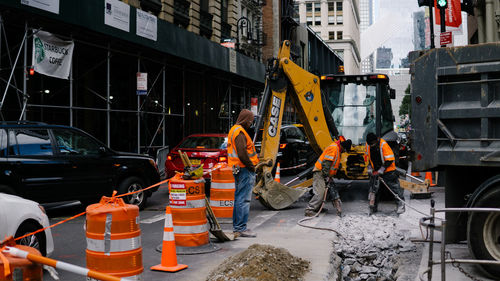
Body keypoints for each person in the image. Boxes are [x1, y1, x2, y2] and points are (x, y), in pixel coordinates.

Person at [227, 109, 259, 238]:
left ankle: (238, 227)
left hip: (238, 168)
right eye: (250, 121)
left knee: (239, 198)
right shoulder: (240, 132)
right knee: (243, 199)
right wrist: (251, 166)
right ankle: (241, 228)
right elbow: (242, 153)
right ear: (246, 120)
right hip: (244, 168)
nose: (251, 124)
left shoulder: (234, 129)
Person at [305, 137, 352, 217]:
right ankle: (310, 210)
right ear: (343, 147)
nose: (344, 152)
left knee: (323, 192)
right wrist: (326, 175)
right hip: (320, 172)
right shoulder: (334, 148)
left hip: (324, 173)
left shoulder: (337, 149)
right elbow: (326, 164)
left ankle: (317, 208)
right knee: (319, 193)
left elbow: (332, 164)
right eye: (345, 150)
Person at [365, 132, 405, 215]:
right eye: (370, 144)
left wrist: (381, 170)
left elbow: (390, 160)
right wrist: (369, 168)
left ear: (376, 140)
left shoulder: (383, 145)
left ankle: (401, 205)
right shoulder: (368, 145)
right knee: (373, 190)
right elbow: (367, 158)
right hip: (375, 170)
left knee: (394, 188)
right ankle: (373, 207)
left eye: (372, 144)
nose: (371, 146)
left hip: (388, 171)